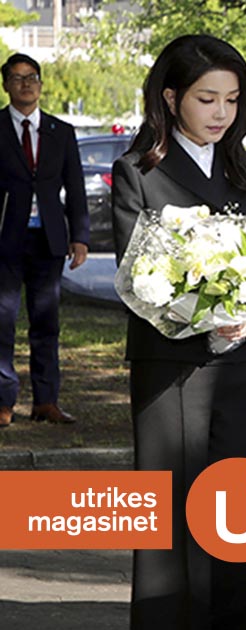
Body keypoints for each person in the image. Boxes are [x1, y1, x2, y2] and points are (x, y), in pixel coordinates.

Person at [111, 35, 246, 629]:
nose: (220, 113)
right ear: (171, 97)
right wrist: (205, 316)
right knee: (173, 523)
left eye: (232, 100)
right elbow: (137, 277)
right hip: (171, 369)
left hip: (242, 365)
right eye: (207, 99)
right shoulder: (138, 171)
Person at [0, 53, 88, 428]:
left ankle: (46, 401)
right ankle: (3, 401)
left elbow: (76, 187)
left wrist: (80, 237)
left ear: (40, 84)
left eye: (32, 77)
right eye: (18, 78)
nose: (26, 84)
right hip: (5, 239)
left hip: (49, 240)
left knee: (46, 323)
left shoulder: (61, 131)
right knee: (2, 322)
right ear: (6, 85)